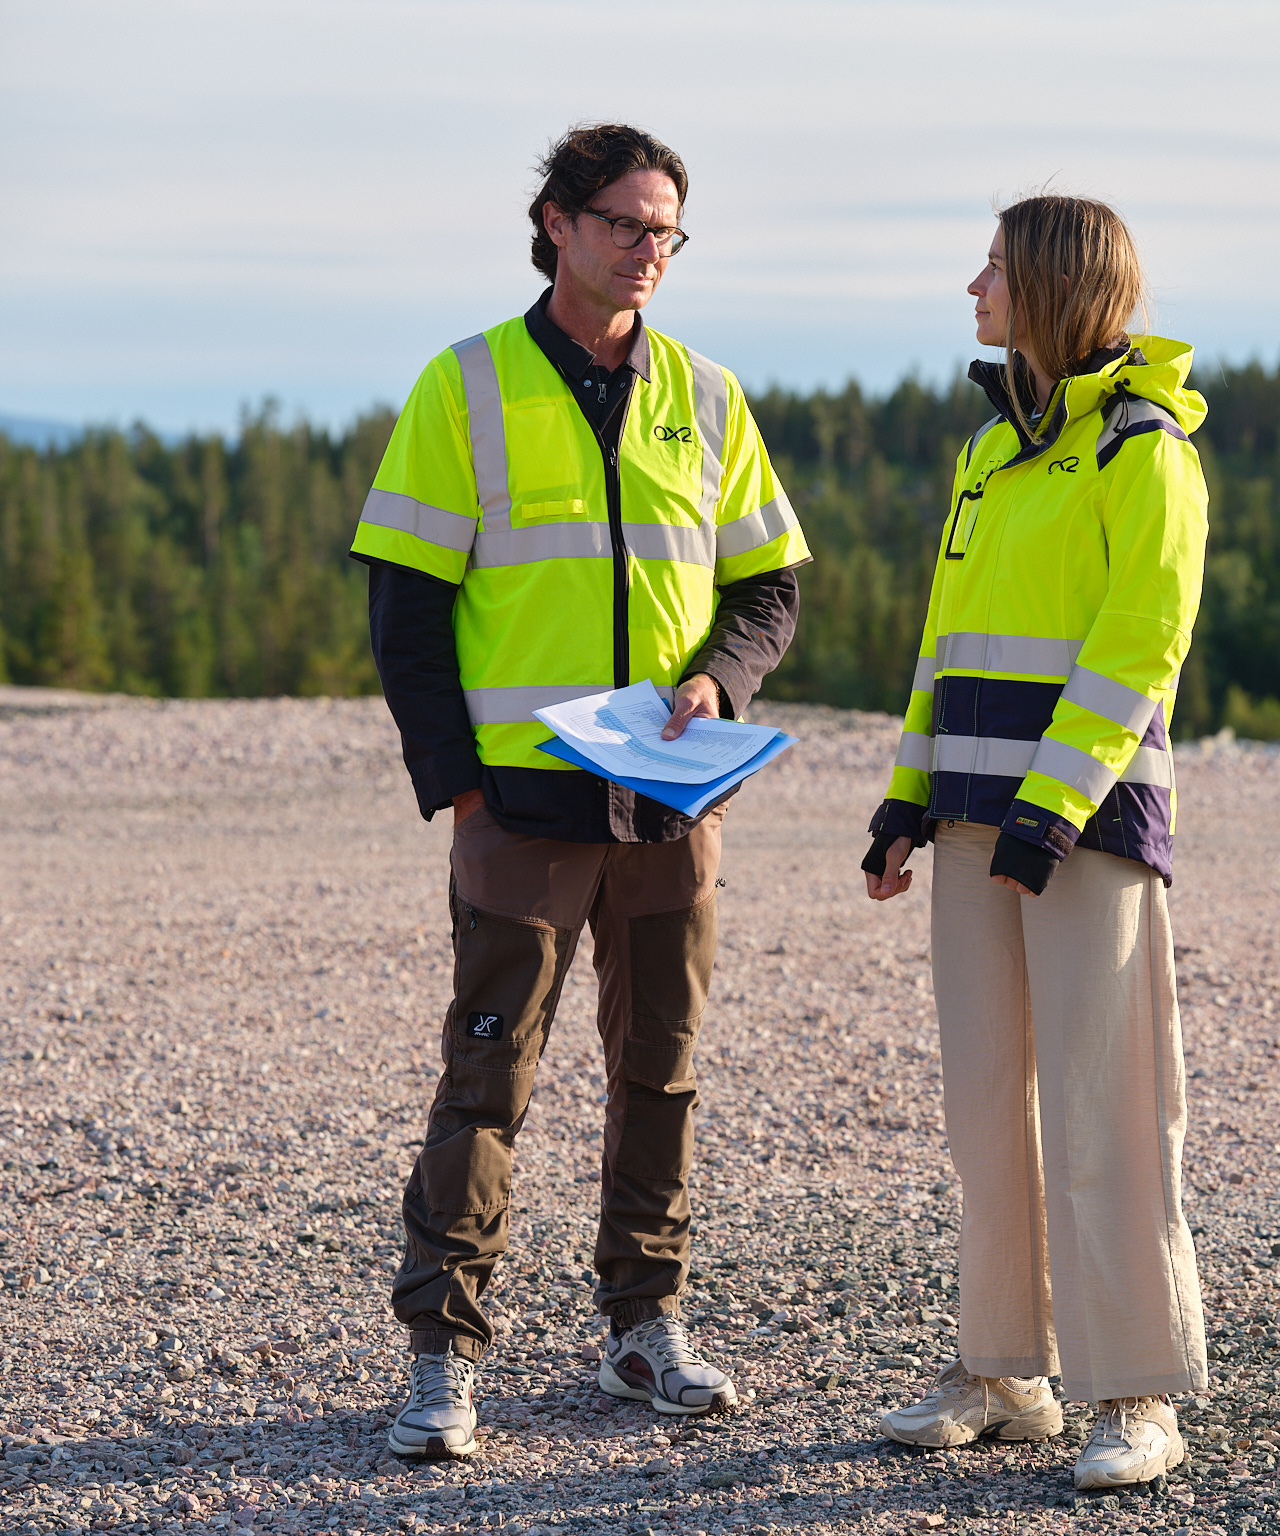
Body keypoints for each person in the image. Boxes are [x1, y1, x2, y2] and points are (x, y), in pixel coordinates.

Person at [349, 122, 809, 1460]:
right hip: (522, 808)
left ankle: (644, 1328)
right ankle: (443, 1355)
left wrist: (720, 679)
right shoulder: (466, 385)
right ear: (555, 223)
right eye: (623, 222)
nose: (647, 248)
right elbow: (405, 608)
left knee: (660, 1073)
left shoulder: (707, 395)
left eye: (666, 229)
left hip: (670, 807)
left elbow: (768, 586)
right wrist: (459, 790)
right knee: (486, 1080)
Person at [862, 194, 1210, 1490]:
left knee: (1103, 1103)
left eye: (996, 269)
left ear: (1057, 285)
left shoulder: (1144, 450)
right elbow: (945, 643)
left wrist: (1052, 809)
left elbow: (1140, 647)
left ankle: (1137, 1392)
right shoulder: (989, 449)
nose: (974, 287)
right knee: (984, 1107)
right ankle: (1005, 1371)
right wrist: (906, 799)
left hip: (1085, 829)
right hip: (970, 825)